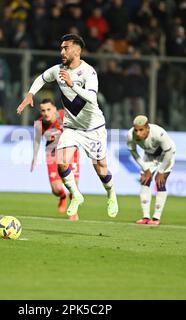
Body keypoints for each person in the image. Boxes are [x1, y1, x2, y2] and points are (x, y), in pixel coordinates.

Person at [17, 34, 118, 221]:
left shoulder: (89, 72)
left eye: (66, 48)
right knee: (61, 162)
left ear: (77, 51)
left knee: (101, 168)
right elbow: (41, 78)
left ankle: (111, 194)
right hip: (71, 127)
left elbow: (92, 98)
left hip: (93, 128)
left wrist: (72, 85)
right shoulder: (58, 70)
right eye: (61, 48)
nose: (62, 51)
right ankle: (76, 195)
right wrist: (30, 94)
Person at [31, 99, 80, 216]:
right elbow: (37, 140)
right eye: (43, 110)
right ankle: (62, 196)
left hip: (70, 152)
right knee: (56, 189)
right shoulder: (39, 123)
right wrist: (35, 157)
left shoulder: (63, 115)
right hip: (52, 154)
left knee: (74, 184)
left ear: (54, 109)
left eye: (48, 109)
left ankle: (74, 211)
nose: (46, 113)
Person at [127, 115, 176, 226]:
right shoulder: (130, 135)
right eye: (136, 130)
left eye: (141, 130)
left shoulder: (159, 133)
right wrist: (145, 168)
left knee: (160, 182)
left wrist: (161, 171)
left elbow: (168, 152)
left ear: (147, 128)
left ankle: (156, 218)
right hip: (149, 156)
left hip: (166, 155)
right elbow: (134, 152)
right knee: (144, 181)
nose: (138, 133)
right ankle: (145, 217)